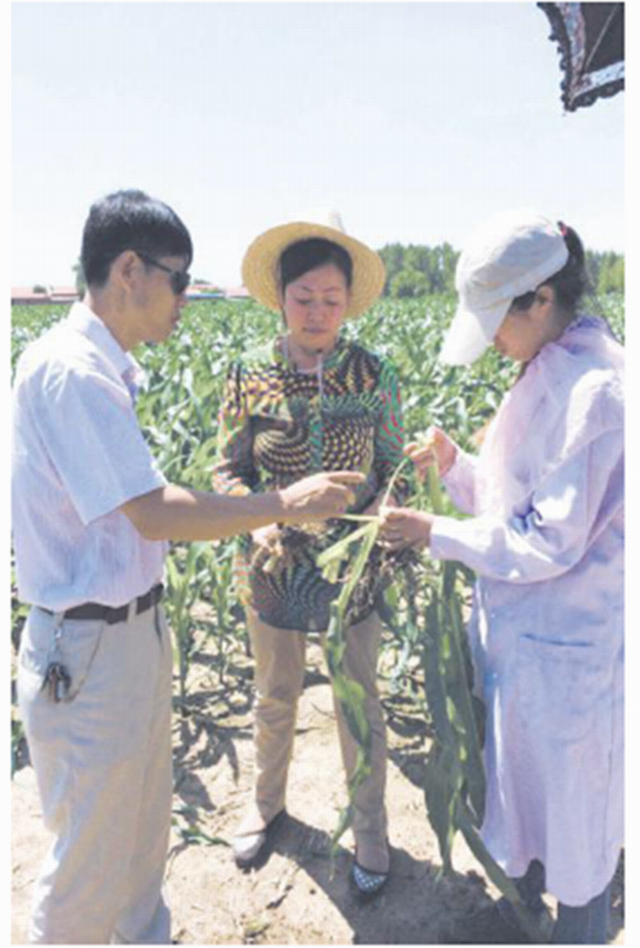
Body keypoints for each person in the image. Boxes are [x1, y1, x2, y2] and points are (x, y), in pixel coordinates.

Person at [11, 189, 364, 945]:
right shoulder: (73, 372)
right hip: (88, 649)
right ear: (130, 269)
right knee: (85, 874)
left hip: (130, 633)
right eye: (180, 279)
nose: (186, 300)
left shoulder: (108, 368)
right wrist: (283, 506)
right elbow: (154, 511)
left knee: (140, 840)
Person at [381, 209, 623, 943]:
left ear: (540, 301)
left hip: (568, 654)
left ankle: (579, 926)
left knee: (580, 828)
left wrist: (435, 533)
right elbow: (520, 498)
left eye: (497, 319)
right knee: (543, 807)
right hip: (532, 647)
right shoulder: (551, 368)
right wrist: (460, 470)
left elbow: (548, 537)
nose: (491, 337)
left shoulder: (597, 392)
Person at [214, 210, 409, 898]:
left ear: (347, 302)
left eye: (331, 300)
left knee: (360, 705)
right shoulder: (248, 374)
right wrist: (257, 523)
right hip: (274, 570)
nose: (318, 312)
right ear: (281, 297)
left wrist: (384, 516)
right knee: (273, 697)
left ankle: (371, 829)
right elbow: (226, 470)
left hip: (355, 571)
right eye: (304, 298)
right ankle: (265, 806)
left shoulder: (373, 373)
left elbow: (395, 466)